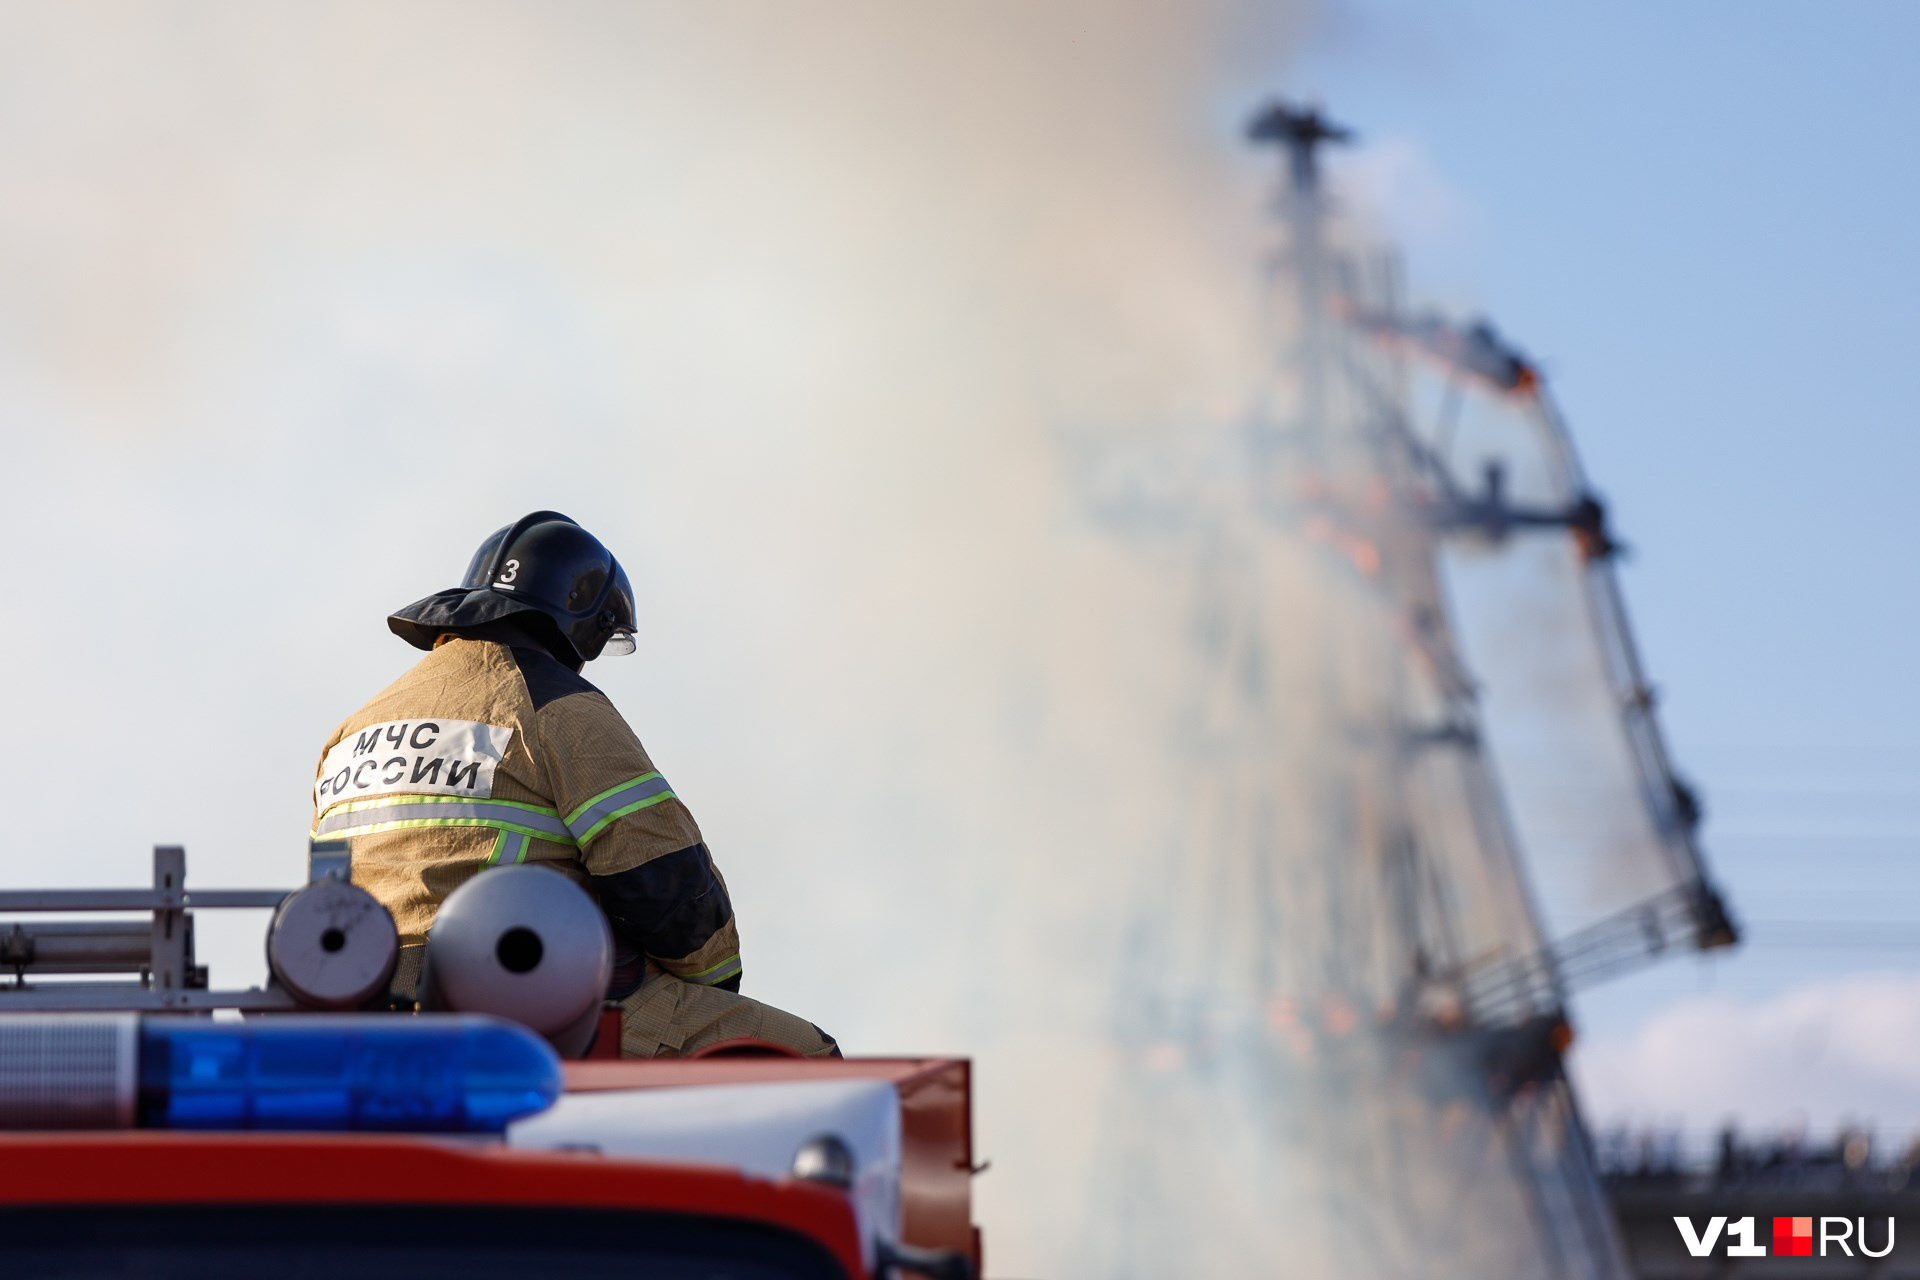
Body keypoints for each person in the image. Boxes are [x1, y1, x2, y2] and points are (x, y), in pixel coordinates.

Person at [310, 510, 838, 1058]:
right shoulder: (557, 706)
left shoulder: (355, 727)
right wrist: (712, 982)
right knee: (806, 1055)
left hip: (364, 1008)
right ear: (582, 624)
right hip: (522, 1004)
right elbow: (666, 884)